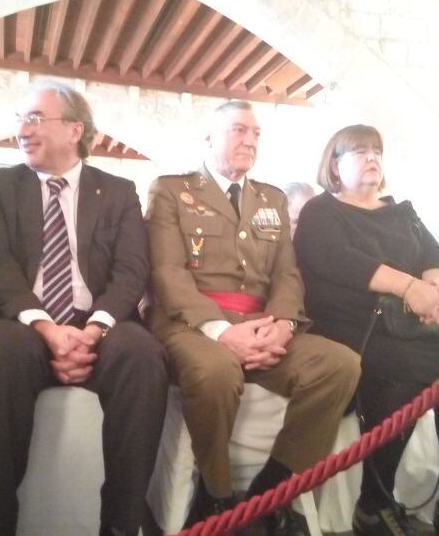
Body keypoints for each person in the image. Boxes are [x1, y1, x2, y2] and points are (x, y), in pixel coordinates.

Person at [147, 100, 360, 534]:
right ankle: (215, 493)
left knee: (340, 365)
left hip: (262, 322)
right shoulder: (171, 191)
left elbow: (287, 273)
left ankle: (273, 488)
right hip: (193, 324)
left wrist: (282, 324)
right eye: (239, 130)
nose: (250, 140)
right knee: (215, 371)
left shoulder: (271, 198)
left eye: (256, 133)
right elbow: (167, 273)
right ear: (210, 137)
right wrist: (222, 331)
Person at [0, 80, 168, 536]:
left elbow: (131, 270)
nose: (22, 130)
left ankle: (121, 524)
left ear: (75, 130)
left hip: (98, 321)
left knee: (142, 356)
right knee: (1, 353)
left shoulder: (117, 191)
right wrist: (45, 328)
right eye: (20, 119)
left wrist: (93, 330)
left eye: (35, 118)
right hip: (22, 321)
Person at [293, 124, 439, 536]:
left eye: (376, 151)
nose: (372, 157)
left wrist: (438, 290)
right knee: (405, 376)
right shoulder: (321, 211)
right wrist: (411, 288)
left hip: (412, 327)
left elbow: (436, 257)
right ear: (335, 165)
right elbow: (341, 260)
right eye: (360, 151)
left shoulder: (403, 213)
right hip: (353, 329)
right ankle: (373, 504)